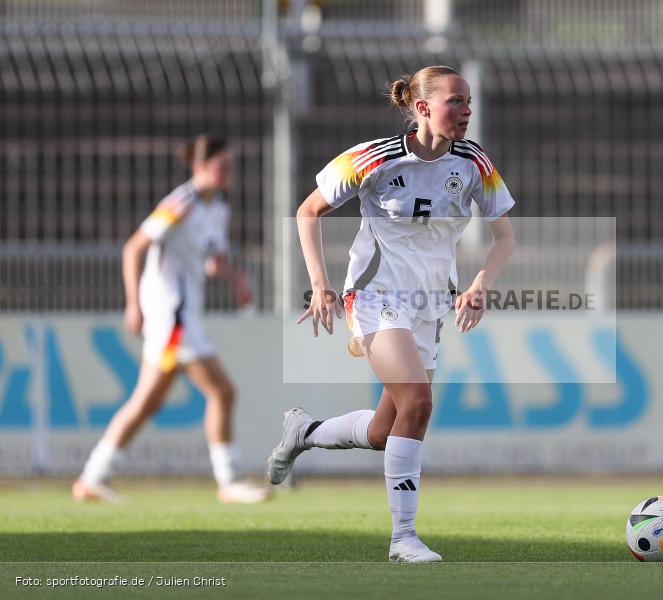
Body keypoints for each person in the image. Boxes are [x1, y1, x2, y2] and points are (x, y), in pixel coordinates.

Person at [265, 66, 516, 562]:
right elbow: (308, 211)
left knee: (387, 431)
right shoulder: (372, 157)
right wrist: (320, 285)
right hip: (375, 296)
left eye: (468, 102)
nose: (466, 111)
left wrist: (478, 286)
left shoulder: (474, 162)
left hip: (428, 306)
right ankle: (403, 539)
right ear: (422, 108)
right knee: (418, 403)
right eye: (455, 102)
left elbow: (505, 238)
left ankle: (305, 432)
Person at [73, 135, 271, 504]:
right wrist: (134, 303)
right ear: (199, 167)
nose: (228, 173)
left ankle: (92, 478)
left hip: (183, 316)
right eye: (220, 166)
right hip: (172, 316)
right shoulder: (181, 203)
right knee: (222, 391)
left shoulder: (218, 210)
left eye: (231, 166)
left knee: (147, 401)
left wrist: (236, 278)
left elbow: (213, 259)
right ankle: (228, 482)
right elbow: (134, 247)